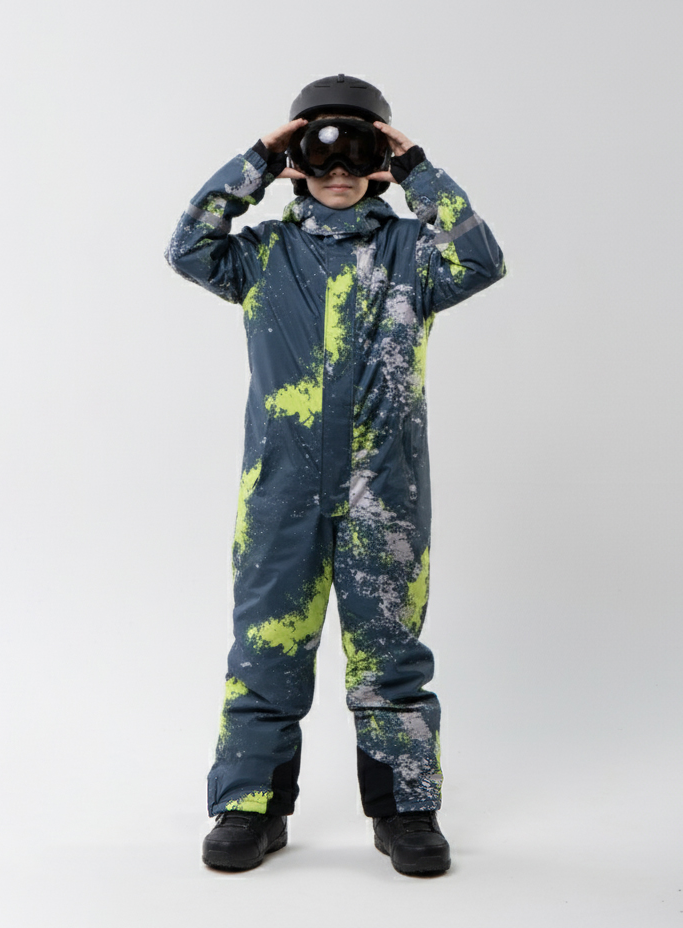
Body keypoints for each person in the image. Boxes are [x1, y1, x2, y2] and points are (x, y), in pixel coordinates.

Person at [165, 74, 505, 876]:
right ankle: (250, 808)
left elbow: (481, 259)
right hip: (280, 496)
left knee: (391, 658)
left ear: (379, 158)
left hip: (383, 498)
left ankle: (406, 811)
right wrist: (257, 160)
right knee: (266, 652)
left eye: (357, 148)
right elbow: (189, 248)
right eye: (321, 149)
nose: (340, 168)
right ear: (298, 162)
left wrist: (419, 171)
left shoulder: (413, 256)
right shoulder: (261, 256)